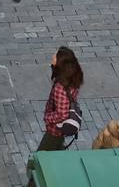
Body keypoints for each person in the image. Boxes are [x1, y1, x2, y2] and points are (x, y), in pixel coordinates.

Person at [29, 47, 85, 180]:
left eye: (56, 56)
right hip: (59, 133)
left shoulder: (60, 88)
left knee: (39, 160)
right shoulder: (73, 76)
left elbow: (62, 114)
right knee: (56, 151)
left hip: (55, 131)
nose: (53, 56)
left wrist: (47, 117)